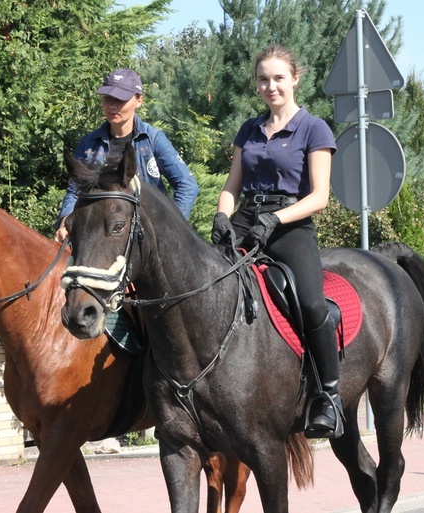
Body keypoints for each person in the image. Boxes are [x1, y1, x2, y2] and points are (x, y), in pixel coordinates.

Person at [211, 44, 342, 439]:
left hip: (291, 225)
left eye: (279, 78)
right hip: (247, 220)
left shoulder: (314, 128)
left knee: (310, 302)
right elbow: (232, 185)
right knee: (205, 287)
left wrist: (276, 219)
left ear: (295, 79)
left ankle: (328, 397)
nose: (271, 86)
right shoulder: (249, 130)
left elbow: (319, 197)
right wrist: (222, 215)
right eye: (264, 79)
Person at [54, 68, 198, 241]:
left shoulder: (152, 139)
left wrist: (170, 230)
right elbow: (74, 191)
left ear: (139, 100)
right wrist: (65, 222)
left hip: (144, 242)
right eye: (108, 98)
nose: (112, 105)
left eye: (120, 99)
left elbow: (187, 184)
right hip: (100, 238)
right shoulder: (88, 144)